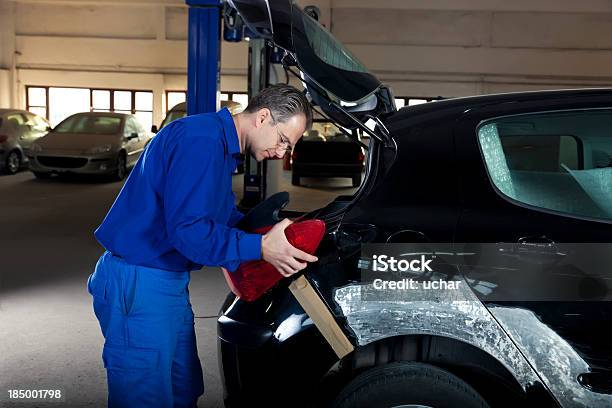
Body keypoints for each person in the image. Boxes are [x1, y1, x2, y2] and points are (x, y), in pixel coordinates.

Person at [86, 84, 317, 408]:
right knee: (144, 398)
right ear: (263, 117)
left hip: (167, 282)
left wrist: (269, 229)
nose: (282, 154)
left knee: (184, 389)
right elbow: (190, 234)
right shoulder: (200, 142)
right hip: (140, 283)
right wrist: (261, 247)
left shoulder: (219, 148)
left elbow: (218, 218)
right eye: (283, 141)